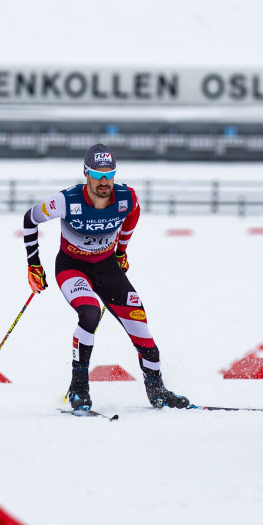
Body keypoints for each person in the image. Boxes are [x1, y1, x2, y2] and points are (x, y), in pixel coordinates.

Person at [22, 144, 190, 410]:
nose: (104, 181)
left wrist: (121, 250)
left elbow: (133, 215)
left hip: (107, 267)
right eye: (97, 174)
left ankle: (157, 392)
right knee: (90, 313)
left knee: (143, 332)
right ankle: (79, 388)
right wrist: (34, 265)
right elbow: (30, 219)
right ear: (86, 173)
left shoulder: (126, 198)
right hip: (72, 267)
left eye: (109, 174)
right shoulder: (66, 200)